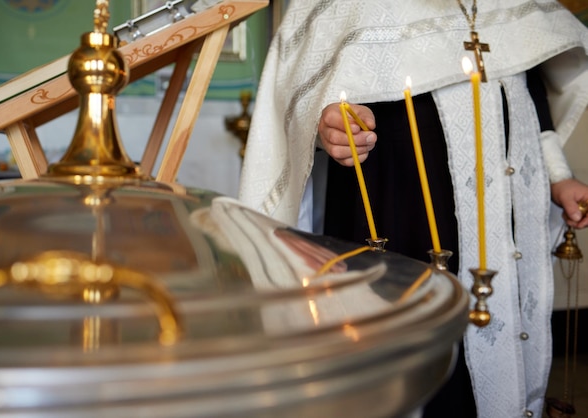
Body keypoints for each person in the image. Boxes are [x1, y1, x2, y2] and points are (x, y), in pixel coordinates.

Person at [238, 1, 588, 417]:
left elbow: (526, 82)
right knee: (421, 367)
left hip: (508, 209)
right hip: (400, 207)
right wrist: (328, 122)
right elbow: (305, 93)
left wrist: (558, 174)